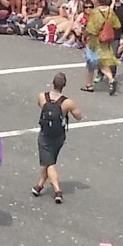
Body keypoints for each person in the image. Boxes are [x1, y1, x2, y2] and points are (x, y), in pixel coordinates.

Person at [32, 72, 82, 202]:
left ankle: (57, 190)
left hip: (45, 134)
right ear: (64, 85)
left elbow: (41, 107)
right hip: (59, 136)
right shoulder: (67, 102)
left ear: (52, 83)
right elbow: (79, 116)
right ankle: (39, 185)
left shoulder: (42, 96)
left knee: (49, 163)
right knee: (50, 161)